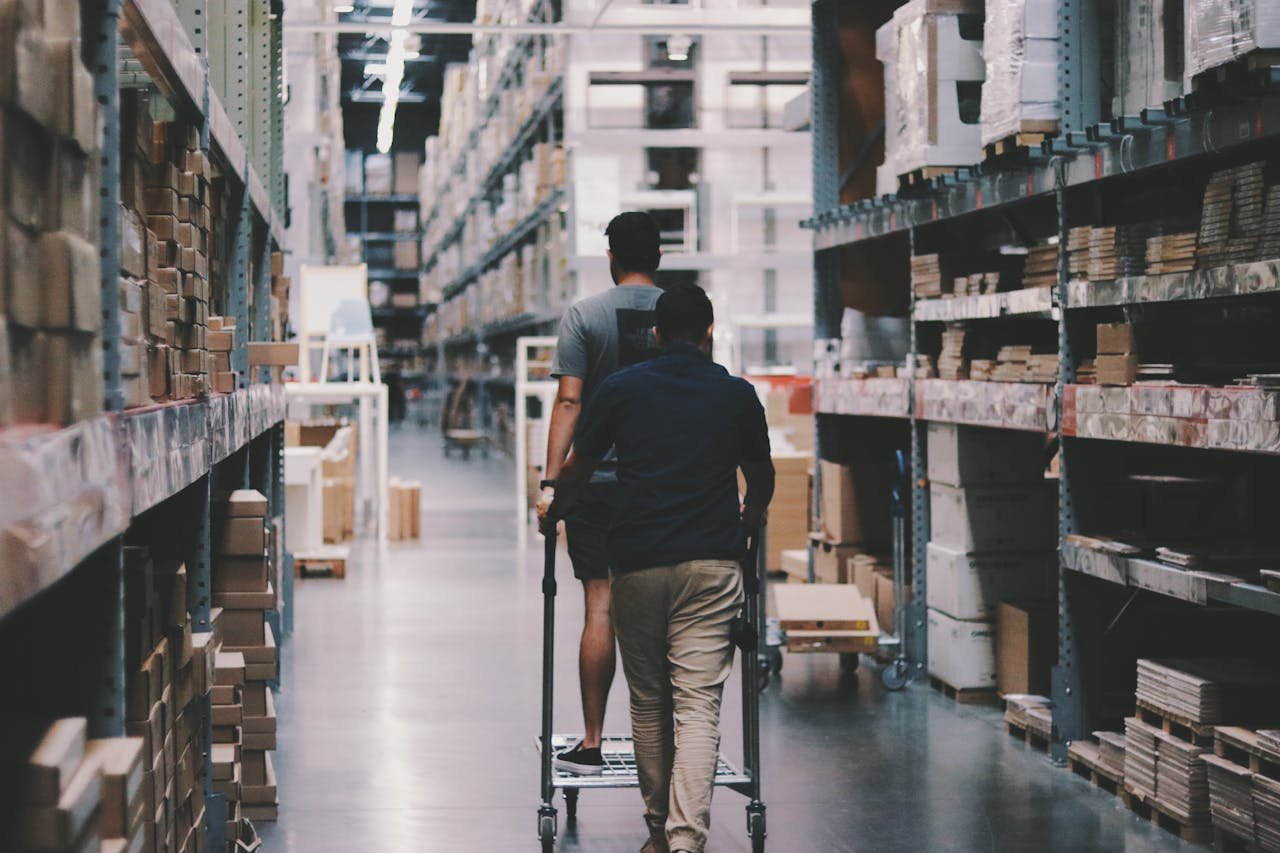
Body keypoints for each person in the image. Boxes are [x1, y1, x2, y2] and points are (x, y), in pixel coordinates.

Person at [539, 284, 776, 853]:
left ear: (656, 334)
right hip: (713, 565)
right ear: (710, 332)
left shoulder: (621, 390)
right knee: (698, 705)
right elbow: (761, 475)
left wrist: (556, 506)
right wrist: (750, 516)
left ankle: (655, 832)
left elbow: (579, 468)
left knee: (649, 703)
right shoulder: (738, 395)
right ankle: (685, 841)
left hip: (638, 563)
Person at [539, 211, 665, 775]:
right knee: (664, 609)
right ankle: (662, 741)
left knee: (600, 604)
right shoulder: (682, 313)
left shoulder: (584, 315)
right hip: (662, 484)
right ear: (659, 257)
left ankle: (592, 742)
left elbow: (569, 402)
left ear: (610, 256)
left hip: (596, 484)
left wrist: (550, 483)